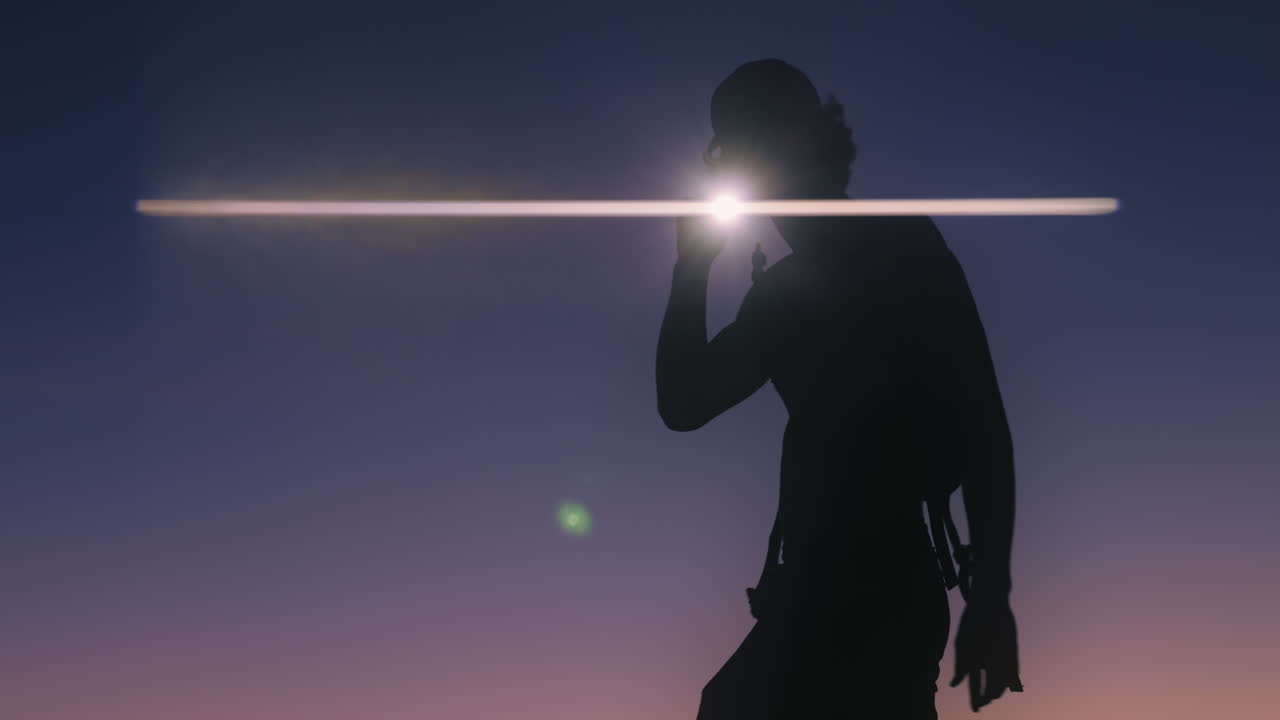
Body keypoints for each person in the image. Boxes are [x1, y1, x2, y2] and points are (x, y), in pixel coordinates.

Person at [656, 59, 1023, 718]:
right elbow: (683, 404)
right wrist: (691, 270)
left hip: (877, 588)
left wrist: (991, 597)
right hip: (818, 590)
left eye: (742, 146)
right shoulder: (781, 295)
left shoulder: (898, 245)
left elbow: (981, 424)